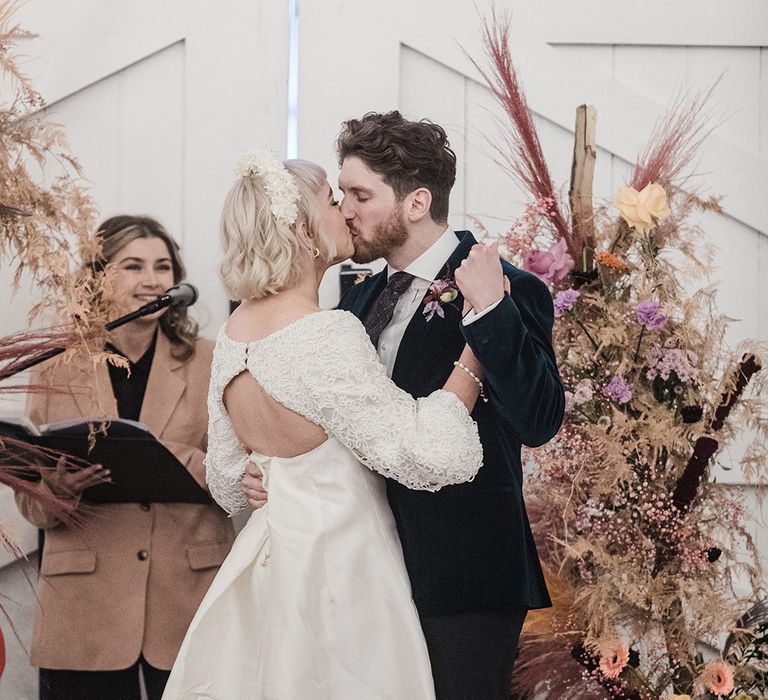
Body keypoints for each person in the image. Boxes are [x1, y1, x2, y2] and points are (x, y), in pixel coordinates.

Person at [163, 152, 494, 699]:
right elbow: (424, 453)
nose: (345, 212)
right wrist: (473, 357)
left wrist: (258, 469)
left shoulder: (235, 331)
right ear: (303, 230)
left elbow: (226, 479)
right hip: (340, 574)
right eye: (331, 201)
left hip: (269, 569)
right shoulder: (323, 333)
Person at [329, 111, 565, 699]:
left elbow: (538, 420)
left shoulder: (510, 289)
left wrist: (489, 313)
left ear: (416, 203)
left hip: (467, 576)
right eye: (342, 195)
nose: (345, 210)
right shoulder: (355, 300)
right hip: (367, 566)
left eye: (360, 195)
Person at [15, 216, 236, 700]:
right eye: (133, 266)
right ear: (97, 278)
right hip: (84, 603)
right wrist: (56, 491)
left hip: (188, 596)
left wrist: (163, 455)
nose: (152, 280)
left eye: (162, 267)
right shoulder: (54, 364)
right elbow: (29, 503)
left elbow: (241, 470)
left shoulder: (212, 361)